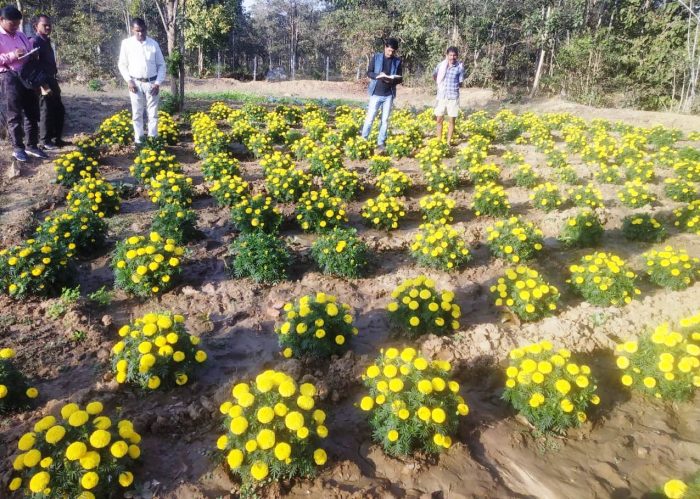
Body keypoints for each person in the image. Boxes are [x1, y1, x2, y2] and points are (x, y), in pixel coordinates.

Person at [0, 5, 48, 162]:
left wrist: (31, 55)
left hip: (27, 76)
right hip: (9, 77)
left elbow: (27, 50)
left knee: (31, 111)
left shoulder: (20, 35)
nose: (15, 27)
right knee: (14, 114)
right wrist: (13, 55)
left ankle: (32, 146)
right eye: (12, 24)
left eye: (17, 24)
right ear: (1, 20)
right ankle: (18, 148)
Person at [117, 17, 165, 145]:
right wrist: (128, 80)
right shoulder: (126, 44)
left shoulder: (153, 44)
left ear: (146, 29)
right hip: (135, 83)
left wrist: (157, 83)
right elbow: (122, 64)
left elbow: (161, 65)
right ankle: (139, 142)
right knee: (137, 113)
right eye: (137, 31)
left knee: (153, 114)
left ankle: (153, 141)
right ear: (132, 30)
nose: (140, 33)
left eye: (143, 30)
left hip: (152, 83)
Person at [32, 14, 67, 150]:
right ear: (36, 26)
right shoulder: (35, 42)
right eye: (44, 25)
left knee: (58, 109)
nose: (48, 27)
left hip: (52, 79)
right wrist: (43, 85)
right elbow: (34, 66)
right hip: (43, 81)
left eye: (49, 25)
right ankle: (45, 141)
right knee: (46, 110)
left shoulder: (46, 40)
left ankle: (56, 139)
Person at [360, 38, 402, 152]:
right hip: (376, 93)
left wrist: (392, 80)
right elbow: (369, 72)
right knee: (370, 118)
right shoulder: (377, 57)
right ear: (385, 47)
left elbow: (399, 78)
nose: (391, 53)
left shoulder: (397, 61)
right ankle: (363, 140)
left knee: (385, 120)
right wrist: (378, 75)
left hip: (389, 94)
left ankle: (381, 143)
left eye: (393, 51)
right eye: (389, 50)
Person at [433, 46, 464, 145]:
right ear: (447, 55)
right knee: (439, 119)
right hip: (441, 96)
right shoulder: (441, 65)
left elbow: (461, 82)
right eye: (450, 55)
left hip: (453, 96)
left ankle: (448, 142)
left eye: (454, 55)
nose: (452, 57)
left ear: (457, 56)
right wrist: (441, 85)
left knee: (451, 120)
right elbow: (435, 75)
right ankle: (438, 141)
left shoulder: (460, 67)